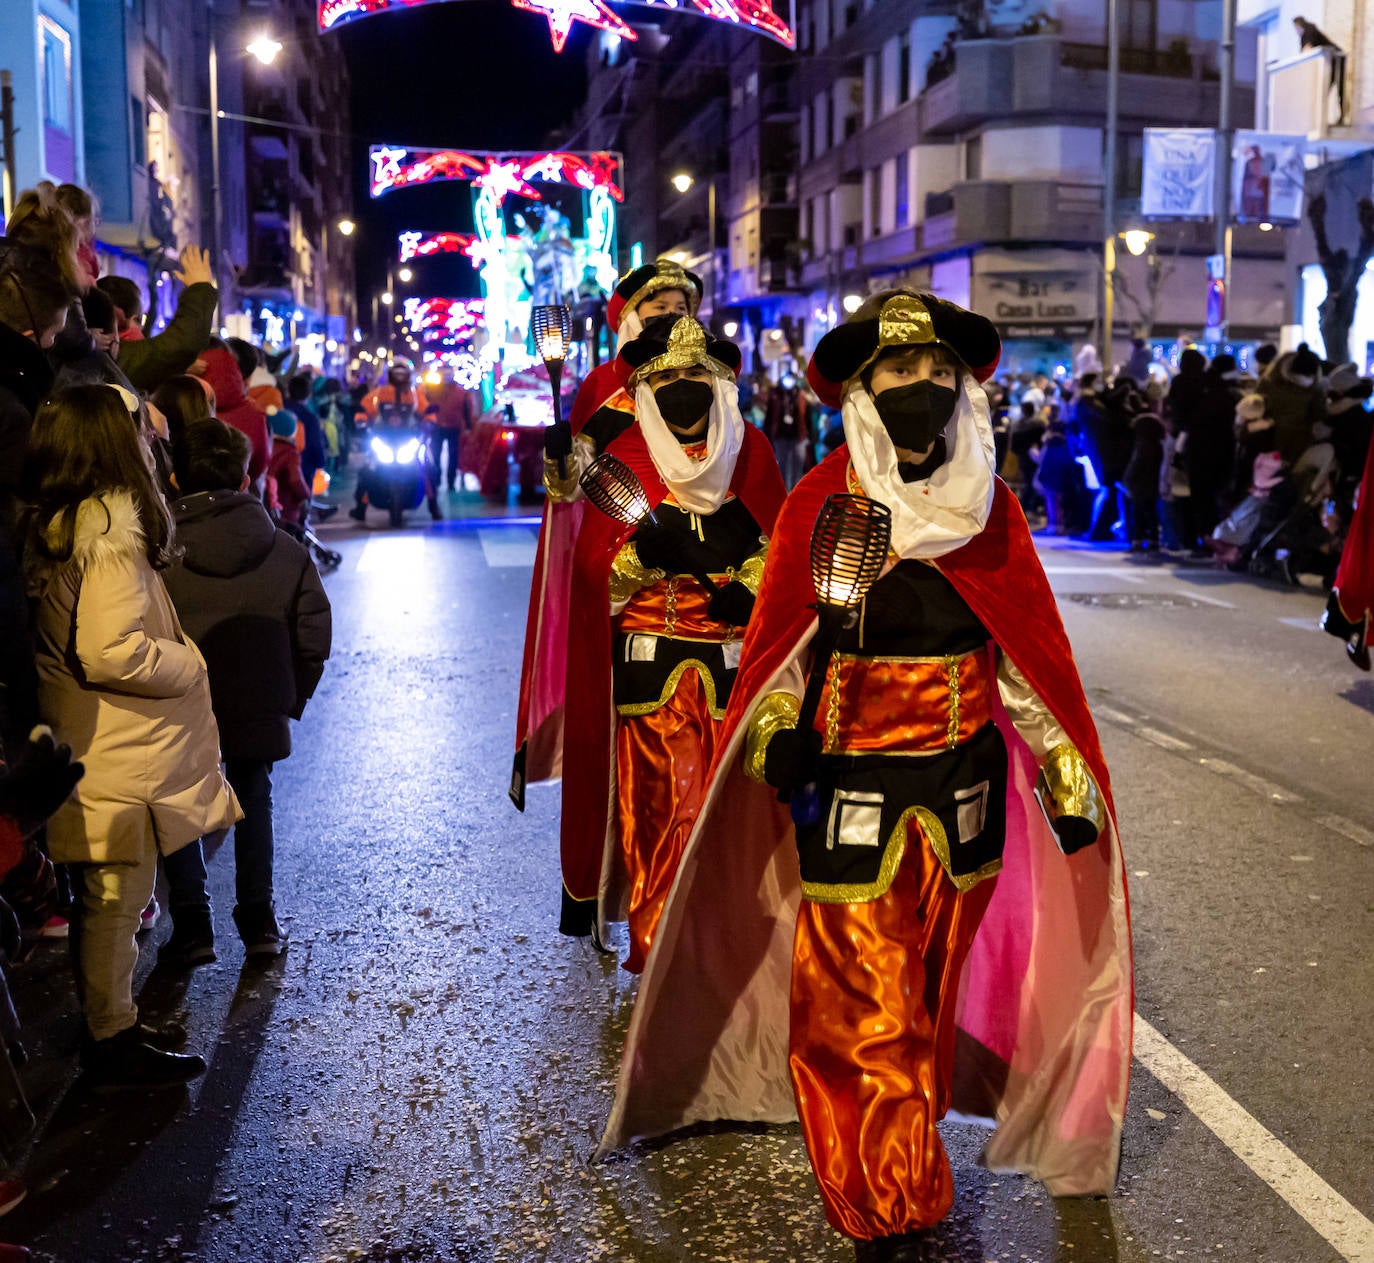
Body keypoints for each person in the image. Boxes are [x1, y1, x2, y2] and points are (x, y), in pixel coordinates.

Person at [598, 291, 1131, 1263]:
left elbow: (1025, 665)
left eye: (937, 376)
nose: (920, 392)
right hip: (850, 794)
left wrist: (1064, 780)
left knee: (920, 1001)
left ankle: (904, 1145)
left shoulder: (992, 509)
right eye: (898, 377)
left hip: (963, 808)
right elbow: (774, 667)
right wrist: (775, 742)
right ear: (862, 390)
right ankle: (882, 1197)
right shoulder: (820, 506)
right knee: (858, 1005)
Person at [24, 384, 240, 1087]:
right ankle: (110, 1034)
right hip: (116, 746)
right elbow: (112, 650)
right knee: (119, 892)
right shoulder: (112, 531)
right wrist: (189, 661)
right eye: (140, 428)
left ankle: (109, 1017)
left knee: (110, 891)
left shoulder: (70, 523)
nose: (152, 437)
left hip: (96, 741)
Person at [555, 314, 785, 968]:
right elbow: (593, 583)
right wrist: (640, 560)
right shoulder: (626, 459)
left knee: (730, 821)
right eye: (671, 376)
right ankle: (664, 956)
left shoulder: (752, 451)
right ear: (648, 387)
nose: (685, 387)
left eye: (697, 374)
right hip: (650, 669)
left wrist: (751, 580)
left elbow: (781, 545)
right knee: (663, 815)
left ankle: (722, 954)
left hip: (739, 670)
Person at [510, 261, 707, 810]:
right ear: (630, 318)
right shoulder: (604, 386)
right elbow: (569, 487)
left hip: (702, 565)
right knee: (627, 710)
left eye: (680, 308)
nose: (671, 316)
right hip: (625, 569)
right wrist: (558, 456)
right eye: (658, 308)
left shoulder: (710, 381)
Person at [160, 419, 331, 960]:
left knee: (178, 800)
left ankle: (191, 924)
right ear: (246, 476)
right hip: (258, 700)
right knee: (253, 794)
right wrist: (287, 696)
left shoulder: (157, 556)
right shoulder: (283, 549)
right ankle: (258, 920)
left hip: (179, 703)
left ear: (171, 479)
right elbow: (313, 633)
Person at [100, 248, 218, 394]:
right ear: (117, 316)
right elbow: (180, 344)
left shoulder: (91, 358)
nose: (141, 328)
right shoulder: (112, 360)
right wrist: (199, 288)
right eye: (138, 319)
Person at [192, 342, 270, 485]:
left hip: (185, 499)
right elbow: (260, 462)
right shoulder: (254, 413)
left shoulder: (182, 398)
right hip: (238, 495)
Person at [267, 409, 311, 528]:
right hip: (285, 506)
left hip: (264, 503)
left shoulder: (266, 445)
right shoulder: (290, 452)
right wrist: (306, 495)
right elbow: (296, 480)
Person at [284, 374, 326, 495]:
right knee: (302, 497)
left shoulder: (281, 411)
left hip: (281, 464)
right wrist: (320, 462)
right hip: (305, 465)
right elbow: (315, 443)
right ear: (308, 394)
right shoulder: (309, 418)